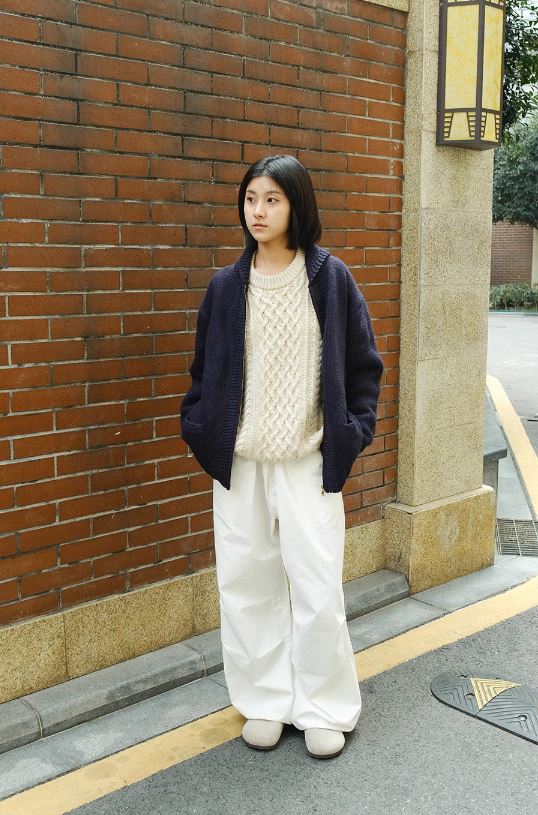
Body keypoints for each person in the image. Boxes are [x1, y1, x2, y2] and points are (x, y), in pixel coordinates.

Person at [180, 155, 383, 759]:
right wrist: (200, 425)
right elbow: (202, 370)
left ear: (297, 204)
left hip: (308, 458)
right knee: (247, 583)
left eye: (272, 199)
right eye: (250, 199)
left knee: (316, 584)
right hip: (239, 462)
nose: (258, 211)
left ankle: (323, 706)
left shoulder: (330, 278)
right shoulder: (225, 286)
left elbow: (364, 365)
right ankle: (265, 700)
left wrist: (352, 430)